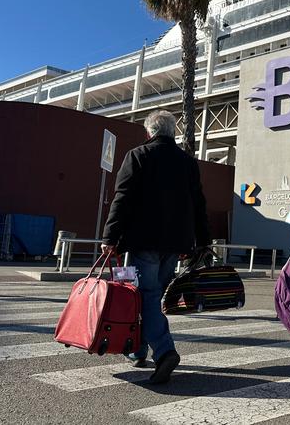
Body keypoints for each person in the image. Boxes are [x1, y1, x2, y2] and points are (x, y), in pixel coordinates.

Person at [101, 110, 210, 384]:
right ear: (173, 132)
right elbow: (198, 204)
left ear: (149, 132)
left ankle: (164, 351)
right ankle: (137, 349)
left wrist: (109, 237)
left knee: (146, 295)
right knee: (150, 296)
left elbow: (122, 199)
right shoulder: (187, 162)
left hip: (144, 240)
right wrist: (203, 240)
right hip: (175, 244)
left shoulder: (138, 156)